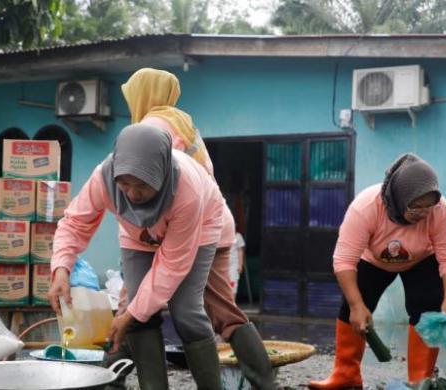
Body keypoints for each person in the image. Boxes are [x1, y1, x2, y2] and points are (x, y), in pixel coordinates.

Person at [121, 67, 276, 389]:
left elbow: (164, 190)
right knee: (222, 311)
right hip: (214, 224)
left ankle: (114, 377)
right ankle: (267, 384)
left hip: (190, 226)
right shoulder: (182, 121)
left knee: (156, 308)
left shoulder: (152, 127)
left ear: (142, 94)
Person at [48, 124, 225, 390]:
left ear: (160, 175)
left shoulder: (186, 191)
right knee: (139, 311)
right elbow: (74, 223)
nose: (131, 194)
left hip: (199, 228)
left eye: (141, 186)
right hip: (137, 234)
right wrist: (61, 267)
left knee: (186, 310)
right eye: (124, 185)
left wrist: (131, 313)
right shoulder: (104, 177)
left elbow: (171, 266)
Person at [309, 153, 446, 389]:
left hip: (422, 258)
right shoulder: (367, 206)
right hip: (373, 260)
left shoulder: (440, 210)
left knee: (428, 307)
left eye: (428, 207)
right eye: (416, 208)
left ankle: (420, 381)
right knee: (351, 307)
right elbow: (344, 259)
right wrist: (356, 305)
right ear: (401, 198)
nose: (423, 213)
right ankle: (346, 374)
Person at [229, 232, 246, 297]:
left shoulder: (238, 236)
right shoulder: (222, 233)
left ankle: (232, 304)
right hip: (222, 264)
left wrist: (240, 264)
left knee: (233, 283)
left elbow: (240, 251)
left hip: (234, 265)